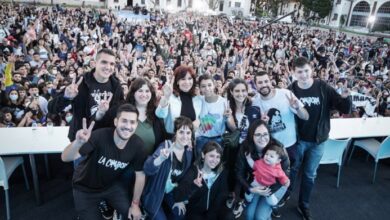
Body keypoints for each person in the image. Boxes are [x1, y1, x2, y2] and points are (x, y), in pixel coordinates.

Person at [287, 57, 352, 220]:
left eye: (306, 71)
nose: (303, 75)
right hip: (298, 139)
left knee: (310, 174)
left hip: (318, 140)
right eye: (300, 72)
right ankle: (285, 196)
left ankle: (304, 204)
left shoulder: (322, 87)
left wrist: (345, 98)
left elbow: (343, 108)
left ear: (312, 70)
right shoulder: (290, 90)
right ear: (294, 73)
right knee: (292, 170)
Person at [61, 104, 147, 220]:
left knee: (134, 216)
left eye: (132, 122)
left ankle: (109, 206)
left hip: (110, 186)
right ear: (116, 122)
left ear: (136, 125)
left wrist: (135, 204)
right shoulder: (100, 136)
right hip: (85, 188)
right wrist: (78, 143)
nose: (128, 126)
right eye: (124, 121)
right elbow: (65, 157)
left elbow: (140, 175)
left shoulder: (138, 145)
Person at [48, 48, 124, 142]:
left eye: (112, 64)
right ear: (95, 63)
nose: (108, 67)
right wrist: (66, 97)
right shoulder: (80, 83)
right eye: (104, 62)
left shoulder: (116, 86)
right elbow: (51, 108)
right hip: (80, 139)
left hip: (104, 141)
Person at [235, 120, 289, 220]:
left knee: (260, 217)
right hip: (256, 183)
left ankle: (271, 211)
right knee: (249, 216)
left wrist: (267, 191)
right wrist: (251, 189)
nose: (262, 138)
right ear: (252, 136)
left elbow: (286, 172)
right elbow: (239, 173)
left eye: (265, 134)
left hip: (276, 185)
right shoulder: (245, 147)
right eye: (258, 135)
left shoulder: (278, 147)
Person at [142, 116, 194, 220]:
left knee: (180, 214)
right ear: (175, 133)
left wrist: (180, 199)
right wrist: (160, 158)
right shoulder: (165, 146)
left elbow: (183, 178)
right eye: (181, 132)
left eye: (188, 133)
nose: (185, 136)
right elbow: (147, 169)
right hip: (155, 191)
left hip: (171, 191)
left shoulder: (189, 151)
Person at [225, 78, 262, 218]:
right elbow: (232, 130)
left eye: (243, 90)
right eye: (237, 91)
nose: (240, 94)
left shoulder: (254, 108)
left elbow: (258, 127)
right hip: (233, 147)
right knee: (231, 172)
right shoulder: (227, 108)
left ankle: (241, 199)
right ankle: (231, 193)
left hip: (249, 148)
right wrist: (228, 120)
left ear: (247, 91)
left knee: (247, 173)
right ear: (231, 92)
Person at [172, 141, 231, 220]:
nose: (215, 160)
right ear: (203, 155)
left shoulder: (221, 172)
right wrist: (194, 186)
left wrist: (211, 215)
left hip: (213, 211)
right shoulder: (194, 172)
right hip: (195, 212)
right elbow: (178, 195)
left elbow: (222, 195)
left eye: (218, 157)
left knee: (229, 216)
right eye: (211, 156)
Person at [156, 65, 202, 136]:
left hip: (191, 140)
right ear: (177, 81)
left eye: (190, 78)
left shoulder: (197, 99)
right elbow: (160, 114)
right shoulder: (170, 97)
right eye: (183, 79)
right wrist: (166, 97)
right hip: (172, 139)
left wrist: (199, 121)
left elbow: (202, 117)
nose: (187, 82)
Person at [195, 74, 228, 156]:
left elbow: (229, 122)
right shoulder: (198, 100)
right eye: (203, 86)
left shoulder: (224, 102)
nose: (207, 89)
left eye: (209, 85)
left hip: (218, 140)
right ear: (200, 88)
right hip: (201, 139)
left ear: (214, 85)